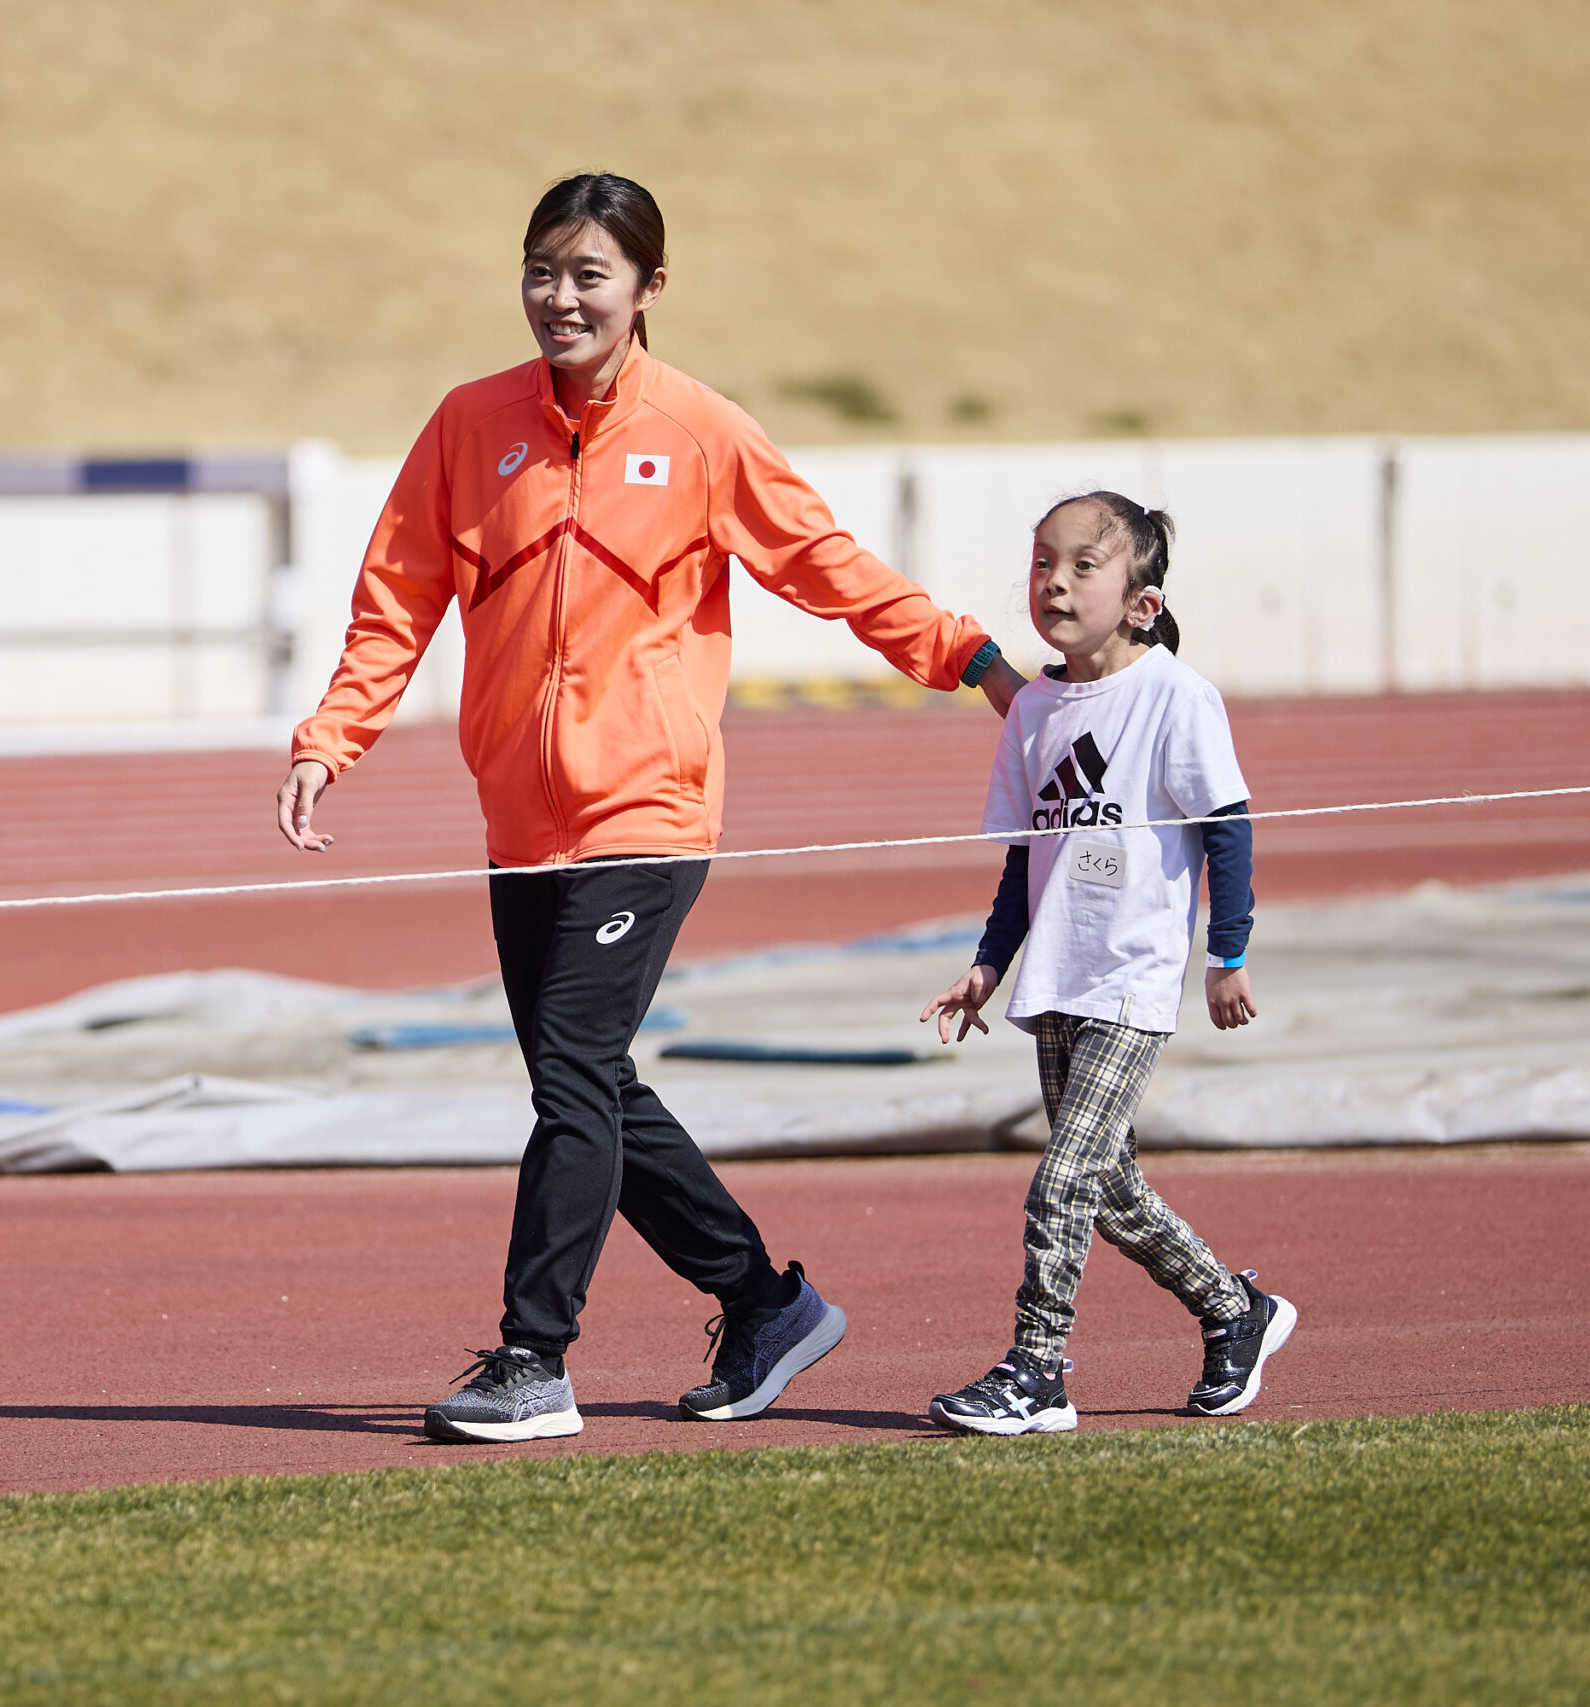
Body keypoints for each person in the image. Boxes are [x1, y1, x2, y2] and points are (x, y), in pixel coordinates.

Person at [275, 172, 1027, 1444]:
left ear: (647, 291)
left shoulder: (698, 431)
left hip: (648, 812)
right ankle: (764, 1303)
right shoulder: (468, 425)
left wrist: (976, 663)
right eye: (539, 271)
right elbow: (394, 596)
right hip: (521, 823)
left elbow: (825, 565)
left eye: (588, 276)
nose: (559, 299)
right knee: (591, 1084)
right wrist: (330, 738)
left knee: (569, 1074)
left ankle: (533, 1356)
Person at [920, 492, 1298, 1436]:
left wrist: (1229, 953)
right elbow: (1024, 856)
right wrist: (987, 964)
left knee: (1061, 1181)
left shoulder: (1177, 696)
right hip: (1055, 976)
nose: (1053, 580)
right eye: (1044, 560)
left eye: (1083, 564)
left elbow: (1227, 827)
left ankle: (1035, 1372)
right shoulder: (1035, 709)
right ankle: (1235, 1310)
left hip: (1131, 979)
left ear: (1140, 600)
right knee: (1111, 1191)